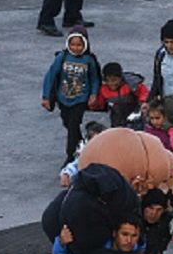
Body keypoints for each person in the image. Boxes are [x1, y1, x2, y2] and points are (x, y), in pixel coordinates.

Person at [42, 27, 100, 167]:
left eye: (79, 45)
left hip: (80, 99)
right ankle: (82, 143)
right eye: (72, 44)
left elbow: (95, 78)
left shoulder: (89, 60)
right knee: (68, 124)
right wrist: (46, 96)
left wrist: (93, 94)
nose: (75, 48)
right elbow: (50, 76)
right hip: (63, 99)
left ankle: (70, 156)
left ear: (85, 44)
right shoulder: (62, 57)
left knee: (73, 125)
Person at [93, 62, 149, 127]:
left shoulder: (131, 85)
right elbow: (100, 106)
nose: (111, 83)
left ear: (121, 78)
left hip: (134, 118)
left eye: (114, 80)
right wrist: (93, 104)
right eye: (107, 80)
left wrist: (142, 102)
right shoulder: (103, 90)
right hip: (116, 120)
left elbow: (144, 92)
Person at [144, 100, 173, 169]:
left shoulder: (169, 128)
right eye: (152, 118)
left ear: (165, 116)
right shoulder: (149, 131)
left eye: (157, 118)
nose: (154, 121)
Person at [59, 120, 107, 186]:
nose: (97, 143)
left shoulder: (112, 151)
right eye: (94, 141)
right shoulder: (86, 152)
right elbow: (77, 164)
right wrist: (66, 174)